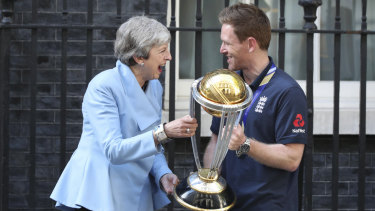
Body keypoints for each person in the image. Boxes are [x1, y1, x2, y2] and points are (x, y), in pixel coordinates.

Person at [50, 16, 198, 211]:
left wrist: (162, 172)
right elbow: (113, 150)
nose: (169, 57)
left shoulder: (154, 87)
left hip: (133, 194)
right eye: (162, 51)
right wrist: (165, 132)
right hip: (95, 195)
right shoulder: (103, 86)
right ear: (139, 57)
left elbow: (147, 139)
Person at [203, 3, 307, 211]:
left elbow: (292, 158)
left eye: (227, 43)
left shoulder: (288, 92)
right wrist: (208, 184)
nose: (221, 49)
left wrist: (245, 143)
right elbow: (216, 140)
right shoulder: (227, 87)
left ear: (251, 44)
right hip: (228, 204)